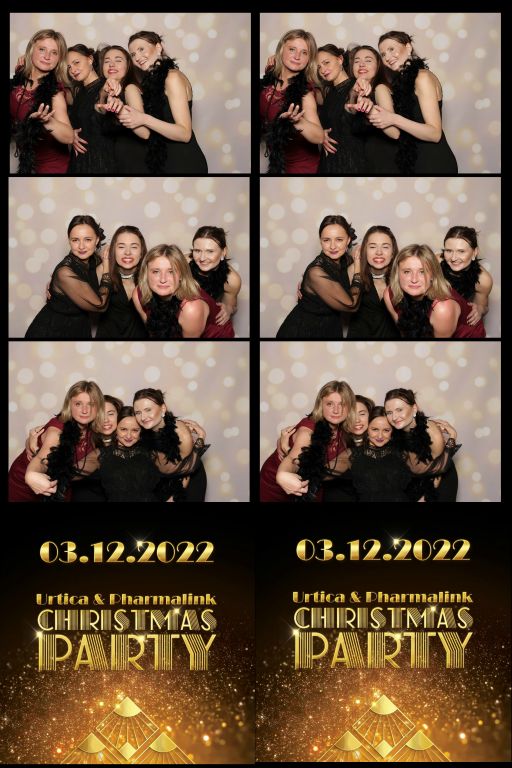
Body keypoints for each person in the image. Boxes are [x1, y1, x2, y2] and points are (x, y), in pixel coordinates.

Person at [116, 31, 208, 174]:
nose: (137, 57)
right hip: (165, 162)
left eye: (141, 49)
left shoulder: (172, 78)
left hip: (184, 162)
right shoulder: (152, 83)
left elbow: (185, 134)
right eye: (133, 54)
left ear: (158, 47)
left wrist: (144, 119)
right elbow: (146, 132)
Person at [369, 31, 457, 174]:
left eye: (391, 49)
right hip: (415, 162)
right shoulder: (402, 84)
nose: (388, 57)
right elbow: (397, 133)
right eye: (383, 54)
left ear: (408, 47)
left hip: (434, 162)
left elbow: (435, 134)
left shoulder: (422, 77)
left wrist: (394, 118)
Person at [260, 380, 356, 502]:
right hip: (275, 487)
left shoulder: (344, 431)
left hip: (310, 485)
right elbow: (294, 459)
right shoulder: (308, 430)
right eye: (329, 404)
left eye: (342, 404)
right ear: (321, 405)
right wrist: (282, 475)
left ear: (349, 407)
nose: (336, 410)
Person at [8, 381, 103, 502]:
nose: (85, 410)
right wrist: (31, 475)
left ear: (98, 407)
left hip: (58, 486)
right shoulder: (57, 431)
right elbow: (43, 459)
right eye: (78, 404)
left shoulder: (94, 431)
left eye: (91, 404)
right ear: (69, 405)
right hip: (23, 487)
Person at [25, 215, 112, 339]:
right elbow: (101, 306)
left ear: (97, 240)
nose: (81, 246)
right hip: (53, 331)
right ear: (69, 241)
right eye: (75, 240)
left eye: (88, 239)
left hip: (79, 328)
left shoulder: (93, 261)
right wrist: (106, 266)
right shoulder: (64, 272)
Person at [276, 215, 362, 338]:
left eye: (339, 240)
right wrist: (358, 270)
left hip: (329, 328)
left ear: (348, 240)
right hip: (304, 332)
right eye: (326, 240)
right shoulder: (316, 273)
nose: (333, 246)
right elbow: (352, 305)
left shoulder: (344, 260)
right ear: (320, 241)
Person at [384, 244, 486, 338]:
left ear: (433, 275)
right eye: (407, 272)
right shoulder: (389, 294)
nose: (414, 279)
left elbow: (437, 348)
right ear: (397, 274)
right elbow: (406, 334)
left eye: (422, 272)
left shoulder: (443, 308)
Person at [10, 29, 73, 173]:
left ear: (59, 59)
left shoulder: (55, 92)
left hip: (52, 167)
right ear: (32, 49)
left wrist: (48, 121)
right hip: (26, 163)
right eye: (42, 49)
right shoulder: (17, 83)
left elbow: (69, 137)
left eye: (54, 52)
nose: (47, 56)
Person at [260, 29, 323, 174]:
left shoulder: (305, 93)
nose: (297, 56)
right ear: (281, 49)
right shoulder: (267, 84)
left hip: (302, 168)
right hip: (277, 164)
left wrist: (299, 121)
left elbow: (319, 136)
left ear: (309, 59)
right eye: (292, 49)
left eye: (304, 52)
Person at [133, 244, 228, 338]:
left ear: (181, 275)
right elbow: (154, 334)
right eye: (156, 271)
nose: (163, 279)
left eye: (171, 272)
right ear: (146, 274)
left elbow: (188, 347)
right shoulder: (138, 294)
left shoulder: (191, 309)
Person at [133, 388, 209, 503]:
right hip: (165, 479)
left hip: (187, 479)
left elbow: (185, 471)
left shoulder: (180, 433)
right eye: (138, 413)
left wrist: (201, 438)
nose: (143, 417)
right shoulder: (147, 430)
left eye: (148, 410)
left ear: (163, 408)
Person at [384, 388, 460, 502]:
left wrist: (452, 437)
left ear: (414, 408)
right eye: (389, 413)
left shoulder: (431, 432)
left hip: (439, 479)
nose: (394, 417)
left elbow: (438, 471)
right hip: (417, 480)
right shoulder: (398, 430)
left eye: (399, 410)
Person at [343, 45, 400, 173]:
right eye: (357, 61)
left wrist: (371, 111)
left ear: (378, 66)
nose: (361, 64)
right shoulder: (356, 92)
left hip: (386, 164)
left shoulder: (380, 89)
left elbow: (395, 133)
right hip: (366, 163)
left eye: (368, 60)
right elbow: (349, 113)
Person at [95, 44, 150, 173]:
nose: (111, 64)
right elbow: (99, 109)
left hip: (134, 162)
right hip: (115, 162)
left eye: (118, 60)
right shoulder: (107, 92)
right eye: (107, 61)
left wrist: (120, 111)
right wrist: (103, 93)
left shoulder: (130, 89)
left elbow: (145, 133)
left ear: (128, 66)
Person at [315, 44, 368, 174]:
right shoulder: (328, 92)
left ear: (340, 59)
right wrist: (321, 134)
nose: (323, 70)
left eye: (326, 63)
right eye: (319, 67)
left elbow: (353, 108)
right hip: (328, 162)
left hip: (350, 162)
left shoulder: (356, 86)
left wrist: (356, 93)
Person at [66, 44, 117, 174]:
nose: (73, 70)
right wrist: (71, 133)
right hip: (79, 161)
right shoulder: (78, 92)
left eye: (76, 62)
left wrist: (105, 94)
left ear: (90, 59)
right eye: (69, 67)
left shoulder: (106, 86)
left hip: (100, 162)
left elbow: (104, 109)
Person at [96, 407, 161, 502]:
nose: (129, 436)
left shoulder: (151, 452)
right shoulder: (101, 454)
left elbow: (180, 470)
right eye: (123, 429)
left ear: (141, 431)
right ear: (116, 429)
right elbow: (74, 471)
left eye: (135, 430)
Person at [346, 225, 400, 339]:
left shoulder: (402, 273)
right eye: (372, 247)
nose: (379, 252)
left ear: (392, 252)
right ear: (364, 250)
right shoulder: (354, 270)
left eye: (385, 247)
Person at [95, 225, 149, 339]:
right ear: (113, 251)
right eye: (121, 247)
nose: (127, 252)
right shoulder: (103, 270)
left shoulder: (150, 274)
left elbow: (176, 259)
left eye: (134, 247)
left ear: (141, 252)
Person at [189, 226, 241, 336]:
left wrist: (228, 309)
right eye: (197, 251)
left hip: (206, 325)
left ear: (223, 252)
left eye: (210, 251)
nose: (202, 258)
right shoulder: (182, 263)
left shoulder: (232, 280)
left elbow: (231, 305)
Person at [439, 226, 493, 327]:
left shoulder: (483, 280)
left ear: (475, 252)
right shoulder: (435, 262)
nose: (453, 258)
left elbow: (483, 306)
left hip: (457, 322)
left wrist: (480, 309)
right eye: (449, 251)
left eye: (461, 251)